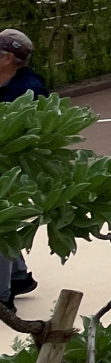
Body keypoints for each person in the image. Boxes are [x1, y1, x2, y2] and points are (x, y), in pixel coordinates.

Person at [0, 30, 49, 307]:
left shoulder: (29, 89)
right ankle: (17, 276)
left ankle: (1, 298)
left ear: (8, 58)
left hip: (17, 166)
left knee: (1, 222)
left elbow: (30, 134)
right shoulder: (4, 80)